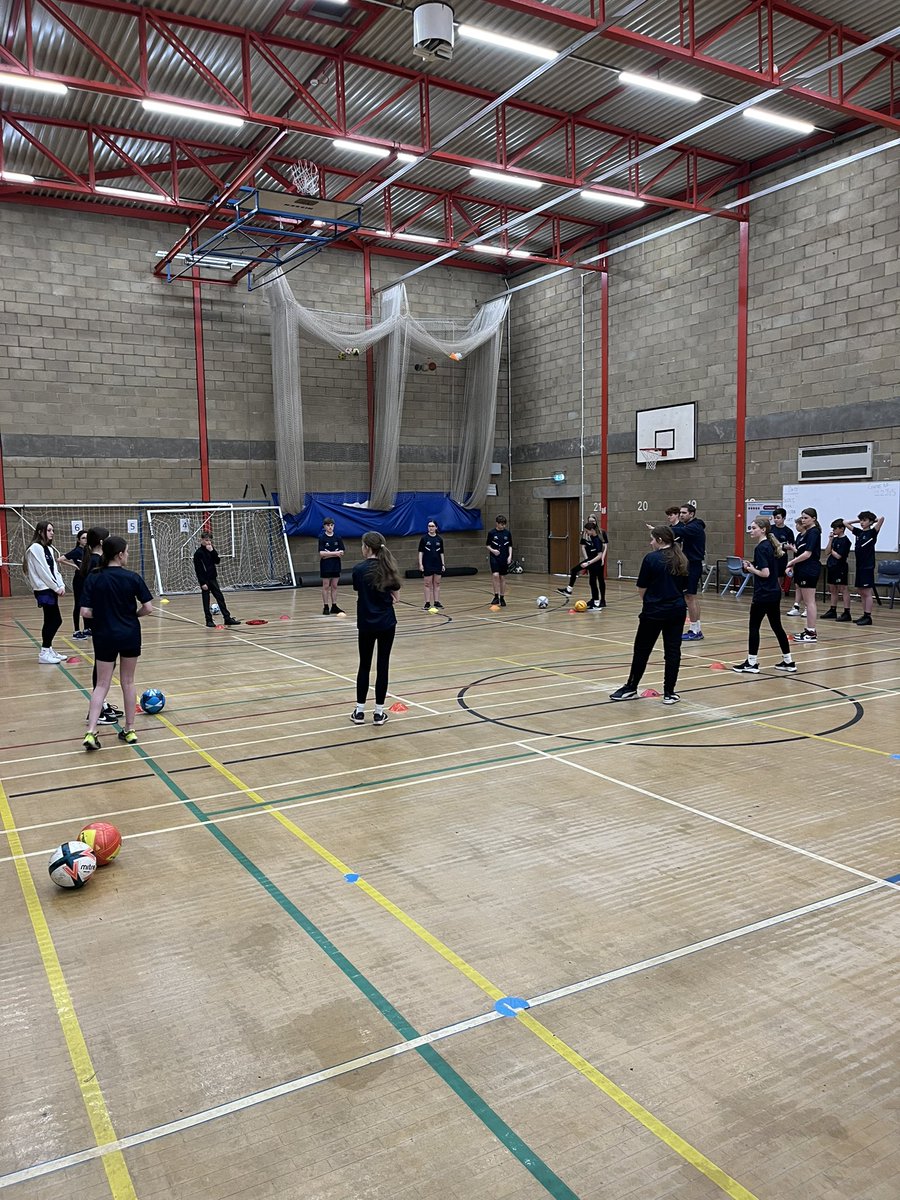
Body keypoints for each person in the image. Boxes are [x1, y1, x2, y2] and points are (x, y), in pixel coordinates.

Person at [81, 535, 154, 751]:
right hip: (130, 634)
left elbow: (85, 611)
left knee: (101, 684)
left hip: (104, 635)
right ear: (120, 554)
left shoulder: (94, 577)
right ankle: (129, 729)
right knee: (128, 682)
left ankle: (91, 731)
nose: (128, 555)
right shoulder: (132, 578)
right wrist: (133, 616)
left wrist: (104, 616)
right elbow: (148, 608)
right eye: (127, 552)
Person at [610, 525, 688, 705]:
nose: (650, 542)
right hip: (676, 610)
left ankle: (631, 687)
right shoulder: (682, 558)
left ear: (660, 540)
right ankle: (669, 693)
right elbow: (683, 587)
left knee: (642, 650)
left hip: (654, 612)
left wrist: (652, 601)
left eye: (652, 539)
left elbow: (641, 588)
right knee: (673, 652)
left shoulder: (651, 559)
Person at [732, 518, 796, 675]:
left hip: (763, 593)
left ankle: (752, 663)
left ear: (763, 530)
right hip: (774, 592)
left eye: (754, 528)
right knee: (777, 627)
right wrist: (752, 566)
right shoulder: (770, 545)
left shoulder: (761, 547)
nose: (751, 531)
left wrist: (752, 570)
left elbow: (765, 573)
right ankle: (788, 661)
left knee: (754, 626)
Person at [350, 532, 401, 727]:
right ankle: (379, 713)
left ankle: (360, 711)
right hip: (387, 622)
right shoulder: (388, 568)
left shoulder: (358, 569)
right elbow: (396, 595)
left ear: (367, 548)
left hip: (366, 623)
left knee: (364, 665)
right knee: (383, 665)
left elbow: (359, 589)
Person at [77, 526, 122, 725]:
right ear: (103, 543)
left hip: (100, 620)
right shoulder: (96, 564)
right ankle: (95, 709)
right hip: (101, 621)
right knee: (103, 666)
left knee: (104, 665)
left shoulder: (94, 561)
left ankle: (101, 703)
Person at [22, 520, 67, 664]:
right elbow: (43, 572)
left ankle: (48, 649)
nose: (52, 533)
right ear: (41, 532)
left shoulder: (50, 549)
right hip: (43, 590)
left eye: (52, 530)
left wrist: (61, 585)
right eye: (49, 530)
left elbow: (54, 570)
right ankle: (44, 651)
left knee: (50, 620)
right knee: (55, 620)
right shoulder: (35, 548)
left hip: (51, 588)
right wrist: (55, 587)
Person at [785, 508, 821, 643]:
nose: (803, 520)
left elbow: (807, 554)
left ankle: (811, 633)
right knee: (807, 601)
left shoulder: (814, 532)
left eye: (806, 518)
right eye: (802, 517)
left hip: (809, 570)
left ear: (813, 519)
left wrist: (791, 562)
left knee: (810, 602)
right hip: (802, 569)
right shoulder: (805, 534)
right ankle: (808, 630)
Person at [192, 532, 241, 628]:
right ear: (201, 540)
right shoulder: (198, 553)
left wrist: (212, 551)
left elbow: (217, 561)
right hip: (205, 580)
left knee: (220, 598)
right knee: (206, 601)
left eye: (209, 540)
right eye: (206, 540)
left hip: (213, 578)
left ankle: (227, 618)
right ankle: (209, 620)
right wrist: (202, 582)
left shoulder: (211, 550)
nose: (208, 542)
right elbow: (198, 569)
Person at [558, 518, 607, 609]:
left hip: (595, 563)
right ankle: (594, 601)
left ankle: (596, 603)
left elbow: (599, 555)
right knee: (590, 581)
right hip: (591, 561)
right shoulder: (591, 537)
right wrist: (587, 559)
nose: (586, 532)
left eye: (587, 531)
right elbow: (584, 546)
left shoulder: (597, 540)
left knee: (593, 582)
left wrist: (588, 562)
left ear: (592, 530)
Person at [846, 511, 884, 626]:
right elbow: (845, 523)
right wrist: (859, 520)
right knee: (861, 591)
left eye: (864, 520)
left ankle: (868, 616)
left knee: (867, 592)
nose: (862, 523)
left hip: (868, 566)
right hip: (860, 566)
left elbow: (881, 518)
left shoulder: (872, 533)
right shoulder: (859, 533)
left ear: (871, 522)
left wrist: (872, 520)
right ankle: (864, 614)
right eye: (861, 520)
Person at [676, 503, 706, 640]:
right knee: (691, 597)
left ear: (691, 514)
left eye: (683, 513)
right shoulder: (689, 526)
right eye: (680, 513)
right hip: (690, 565)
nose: (681, 515)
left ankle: (695, 630)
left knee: (689, 597)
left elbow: (679, 531)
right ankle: (696, 628)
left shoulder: (694, 527)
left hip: (693, 565)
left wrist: (660, 530)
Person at [60, 529, 89, 637]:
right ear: (78, 540)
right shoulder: (76, 551)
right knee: (78, 604)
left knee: (87, 603)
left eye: (87, 538)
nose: (86, 540)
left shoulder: (89, 551)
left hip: (87, 580)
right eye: (83, 538)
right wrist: (75, 566)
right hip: (79, 581)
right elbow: (60, 559)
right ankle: (76, 630)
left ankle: (87, 628)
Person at [821, 520, 852, 622]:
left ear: (842, 529)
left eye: (835, 528)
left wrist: (832, 551)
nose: (833, 530)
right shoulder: (834, 540)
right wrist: (830, 541)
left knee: (843, 589)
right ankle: (832, 609)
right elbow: (826, 552)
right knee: (832, 589)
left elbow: (839, 556)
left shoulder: (846, 541)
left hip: (840, 567)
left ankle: (847, 612)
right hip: (832, 566)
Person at [318, 518, 345, 615]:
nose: (330, 527)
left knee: (334, 585)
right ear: (324, 526)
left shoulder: (338, 537)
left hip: (336, 564)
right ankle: (325, 606)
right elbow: (321, 554)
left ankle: (334, 605)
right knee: (326, 585)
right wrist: (335, 553)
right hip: (326, 565)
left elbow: (341, 552)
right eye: (328, 525)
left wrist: (329, 554)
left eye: (332, 525)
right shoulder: (322, 538)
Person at [418, 520, 445, 610]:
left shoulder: (439, 539)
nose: (431, 528)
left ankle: (436, 602)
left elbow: (441, 553)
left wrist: (443, 564)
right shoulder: (424, 539)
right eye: (429, 526)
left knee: (437, 583)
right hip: (427, 564)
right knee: (427, 584)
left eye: (432, 526)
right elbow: (420, 552)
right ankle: (427, 603)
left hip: (437, 564)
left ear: (436, 527)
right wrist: (421, 564)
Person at [486, 515, 513, 607]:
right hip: (494, 557)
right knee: (495, 575)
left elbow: (510, 546)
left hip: (504, 557)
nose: (503, 526)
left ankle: (502, 597)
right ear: (497, 523)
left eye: (504, 524)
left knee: (502, 577)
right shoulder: (491, 533)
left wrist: (509, 556)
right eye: (501, 524)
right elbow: (487, 545)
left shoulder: (507, 533)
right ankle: (496, 596)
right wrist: (493, 551)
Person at [769, 508, 793, 597]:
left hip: (781, 558)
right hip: (771, 556)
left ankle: (778, 592)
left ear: (783, 518)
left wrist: (782, 545)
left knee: (780, 576)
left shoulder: (788, 531)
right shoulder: (770, 529)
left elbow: (791, 546)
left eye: (778, 518)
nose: (776, 520)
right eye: (774, 518)